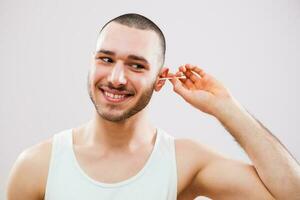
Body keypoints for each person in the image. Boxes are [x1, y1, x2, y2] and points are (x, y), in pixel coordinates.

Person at [6, 13, 300, 200]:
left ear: (161, 80)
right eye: (106, 59)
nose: (116, 78)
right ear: (91, 63)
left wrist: (226, 107)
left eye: (136, 65)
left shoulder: (185, 161)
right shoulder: (37, 165)